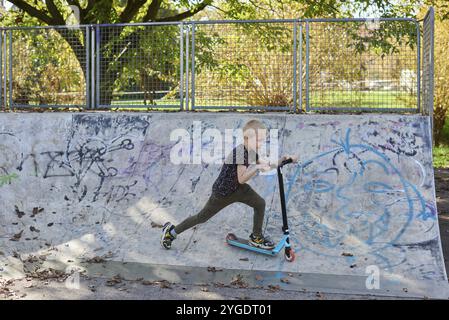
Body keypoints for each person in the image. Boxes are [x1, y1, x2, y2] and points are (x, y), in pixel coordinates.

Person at [160, 119, 298, 250]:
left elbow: (265, 165)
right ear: (246, 138)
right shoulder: (239, 153)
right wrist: (255, 168)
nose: (260, 143)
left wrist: (284, 160)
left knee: (259, 203)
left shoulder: (250, 151)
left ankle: (256, 237)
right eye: (258, 140)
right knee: (201, 217)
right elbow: (241, 178)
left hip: (239, 189)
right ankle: (171, 232)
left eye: (262, 140)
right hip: (223, 193)